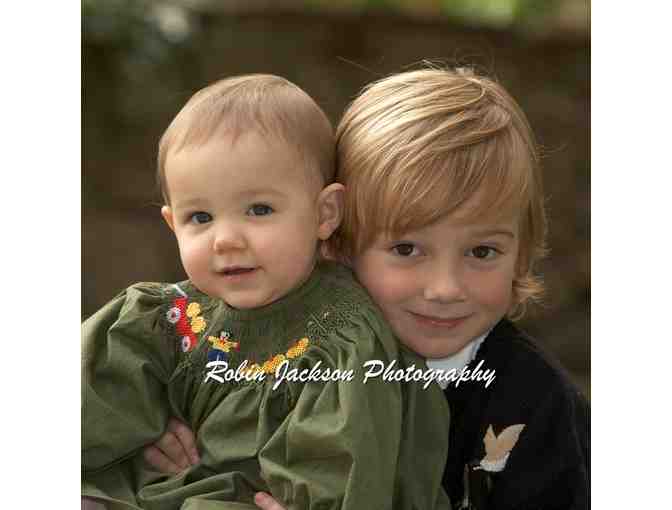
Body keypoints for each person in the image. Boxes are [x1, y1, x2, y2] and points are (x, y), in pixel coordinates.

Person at [148, 67, 589, 510]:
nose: (445, 288)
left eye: (482, 252)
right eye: (406, 249)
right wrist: (154, 428)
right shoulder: (275, 350)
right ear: (336, 239)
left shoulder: (538, 405)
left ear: (521, 253)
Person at [81, 74, 452, 510]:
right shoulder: (168, 317)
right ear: (172, 224)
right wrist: (142, 431)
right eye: (200, 217)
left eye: (259, 209)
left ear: (325, 213)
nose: (225, 240)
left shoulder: (342, 340)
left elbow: (342, 472)